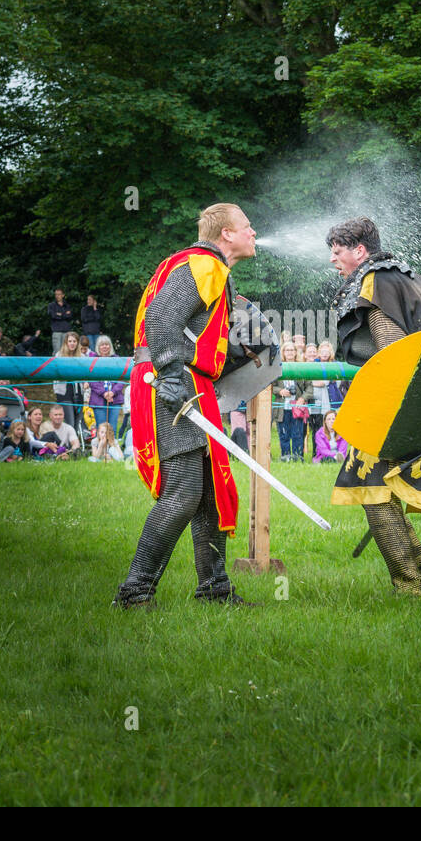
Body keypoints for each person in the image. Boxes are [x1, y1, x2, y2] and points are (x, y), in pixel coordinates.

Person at [114, 203, 257, 608]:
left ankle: (214, 588)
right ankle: (134, 592)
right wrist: (172, 375)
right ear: (226, 234)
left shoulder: (206, 268)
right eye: (246, 227)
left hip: (189, 384)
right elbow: (161, 319)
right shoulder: (204, 264)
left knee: (208, 492)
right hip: (175, 386)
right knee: (182, 491)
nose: (253, 233)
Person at [327, 216, 421, 597]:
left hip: (395, 408)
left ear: (359, 250)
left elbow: (394, 351)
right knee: (381, 491)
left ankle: (409, 587)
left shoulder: (372, 282)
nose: (332, 260)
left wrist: (385, 407)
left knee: (374, 492)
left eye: (337, 252)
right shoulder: (407, 276)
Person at [86, 335, 124, 431]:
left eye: (107, 344)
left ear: (110, 346)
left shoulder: (117, 359)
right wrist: (104, 393)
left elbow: (121, 378)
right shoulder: (93, 360)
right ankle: (101, 446)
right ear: (98, 347)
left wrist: (112, 392)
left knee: (113, 428)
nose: (104, 347)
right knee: (101, 429)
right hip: (98, 399)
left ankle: (112, 446)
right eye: (102, 345)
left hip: (115, 398)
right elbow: (92, 380)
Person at [52, 330, 88, 431]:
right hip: (64, 391)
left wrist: (85, 382)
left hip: (78, 391)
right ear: (66, 343)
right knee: (70, 421)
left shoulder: (82, 356)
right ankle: (70, 444)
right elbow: (56, 373)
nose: (72, 344)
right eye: (70, 341)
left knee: (79, 420)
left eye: (74, 341)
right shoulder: (59, 355)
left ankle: (78, 444)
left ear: (77, 343)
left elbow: (86, 374)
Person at [49, 288, 74, 352]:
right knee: (57, 351)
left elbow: (70, 316)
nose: (57, 296)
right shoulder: (52, 305)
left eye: (59, 294)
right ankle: (55, 362)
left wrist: (59, 314)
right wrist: (65, 314)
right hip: (57, 331)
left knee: (66, 351)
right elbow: (53, 316)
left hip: (66, 331)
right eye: (56, 294)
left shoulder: (67, 305)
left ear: (63, 295)